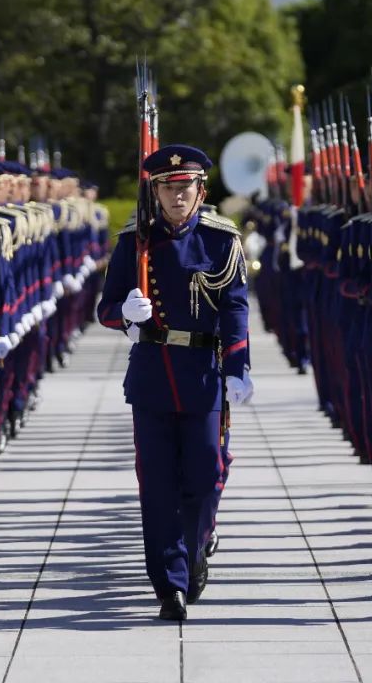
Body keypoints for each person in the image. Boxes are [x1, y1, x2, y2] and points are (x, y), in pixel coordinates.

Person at [96, 144, 252, 621]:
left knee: (205, 476)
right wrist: (126, 315)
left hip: (202, 372)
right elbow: (106, 308)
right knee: (158, 484)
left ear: (201, 190)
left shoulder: (220, 240)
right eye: (168, 187)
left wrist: (238, 366)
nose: (177, 195)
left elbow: (235, 306)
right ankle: (171, 584)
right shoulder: (134, 242)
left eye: (185, 187)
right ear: (156, 191)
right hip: (152, 374)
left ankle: (195, 545)